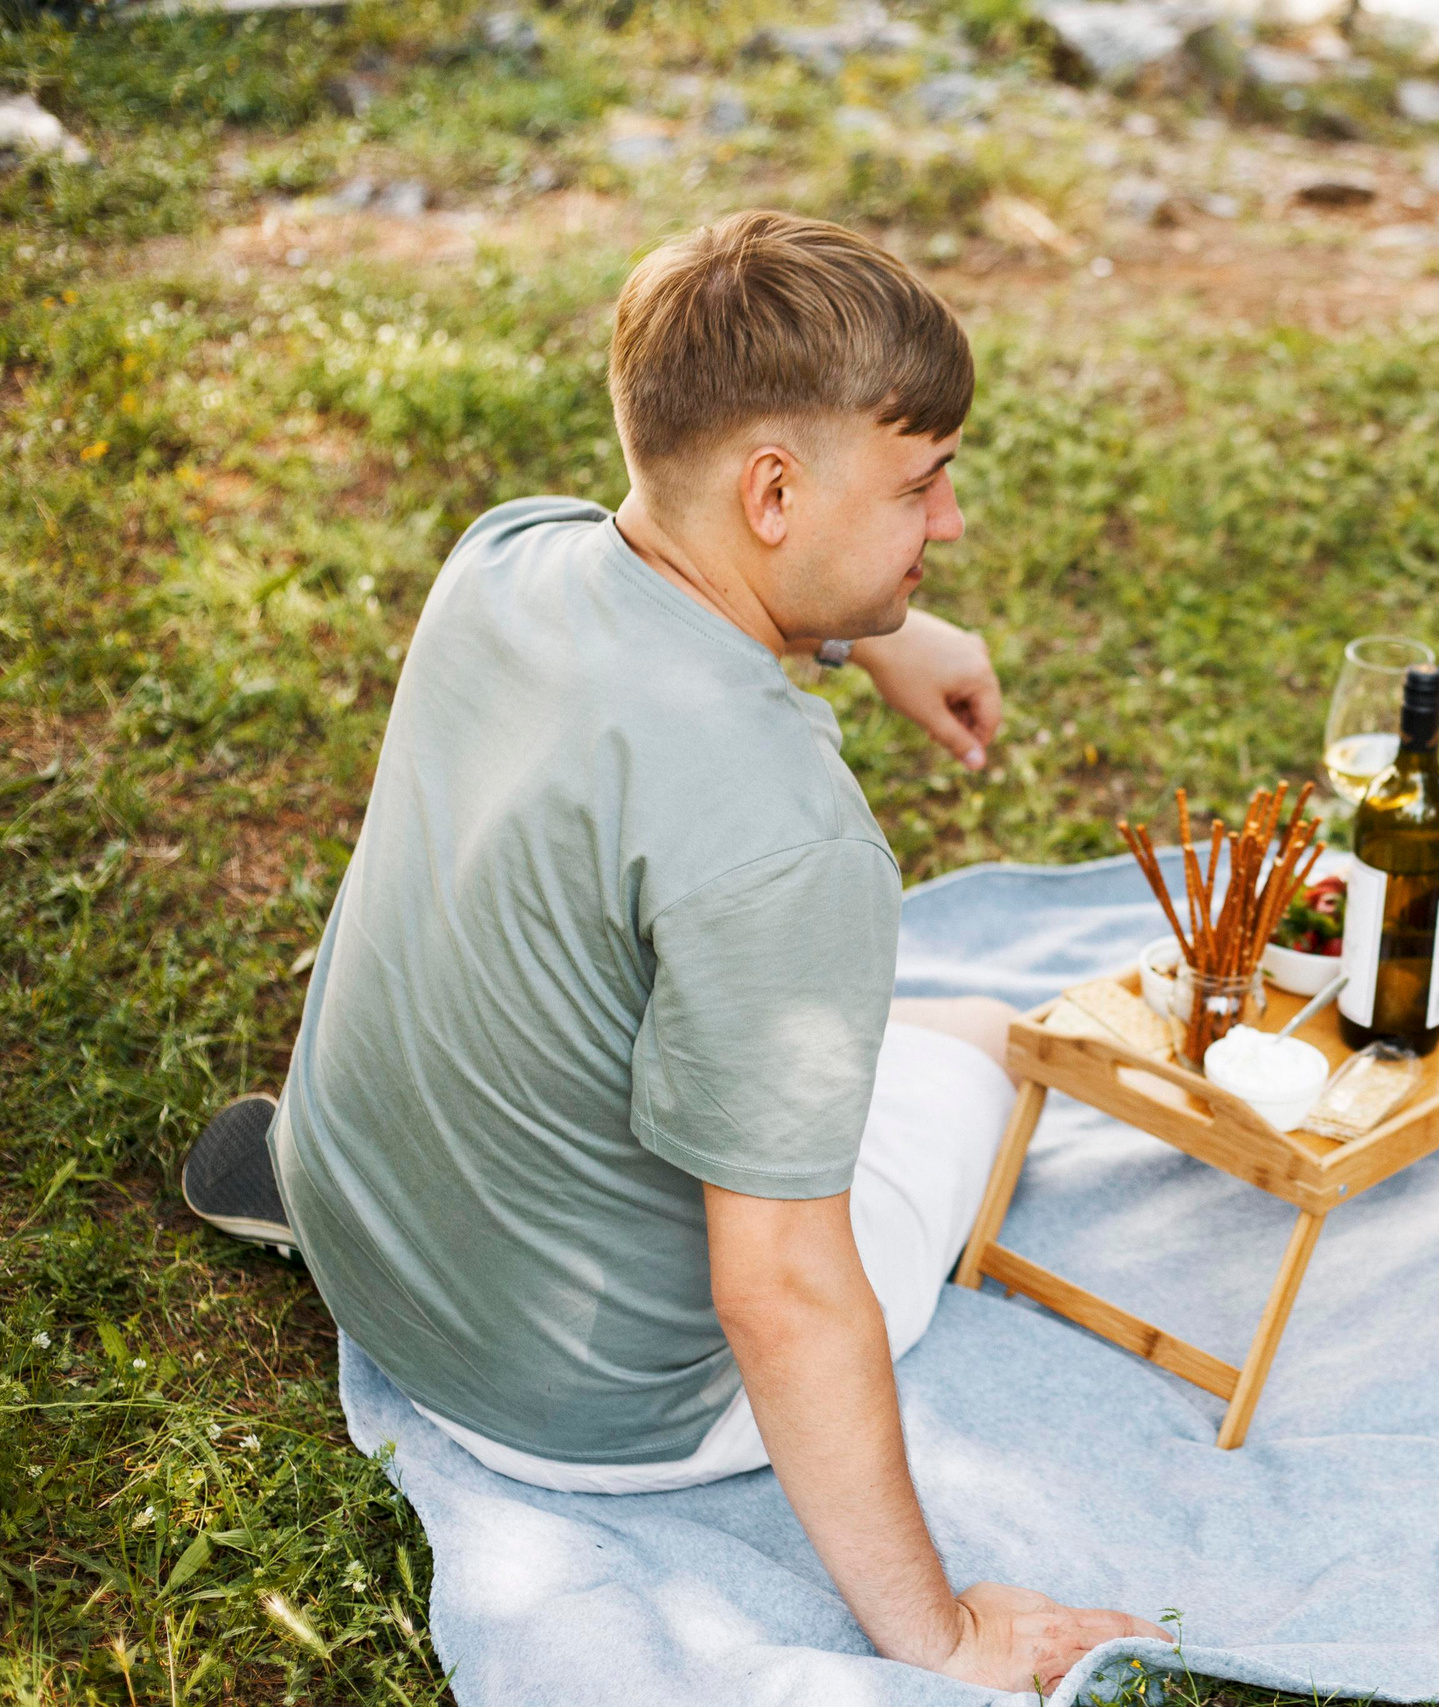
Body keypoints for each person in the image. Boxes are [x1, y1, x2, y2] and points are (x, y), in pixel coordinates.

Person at [179, 210, 1164, 1680]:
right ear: (775, 490)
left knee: (874, 1028)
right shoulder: (792, 840)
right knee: (986, 1050)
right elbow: (780, 1291)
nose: (948, 522)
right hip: (592, 1411)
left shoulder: (503, 554)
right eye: (922, 481)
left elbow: (664, 545)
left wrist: (879, 626)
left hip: (364, 1238)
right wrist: (939, 1628)